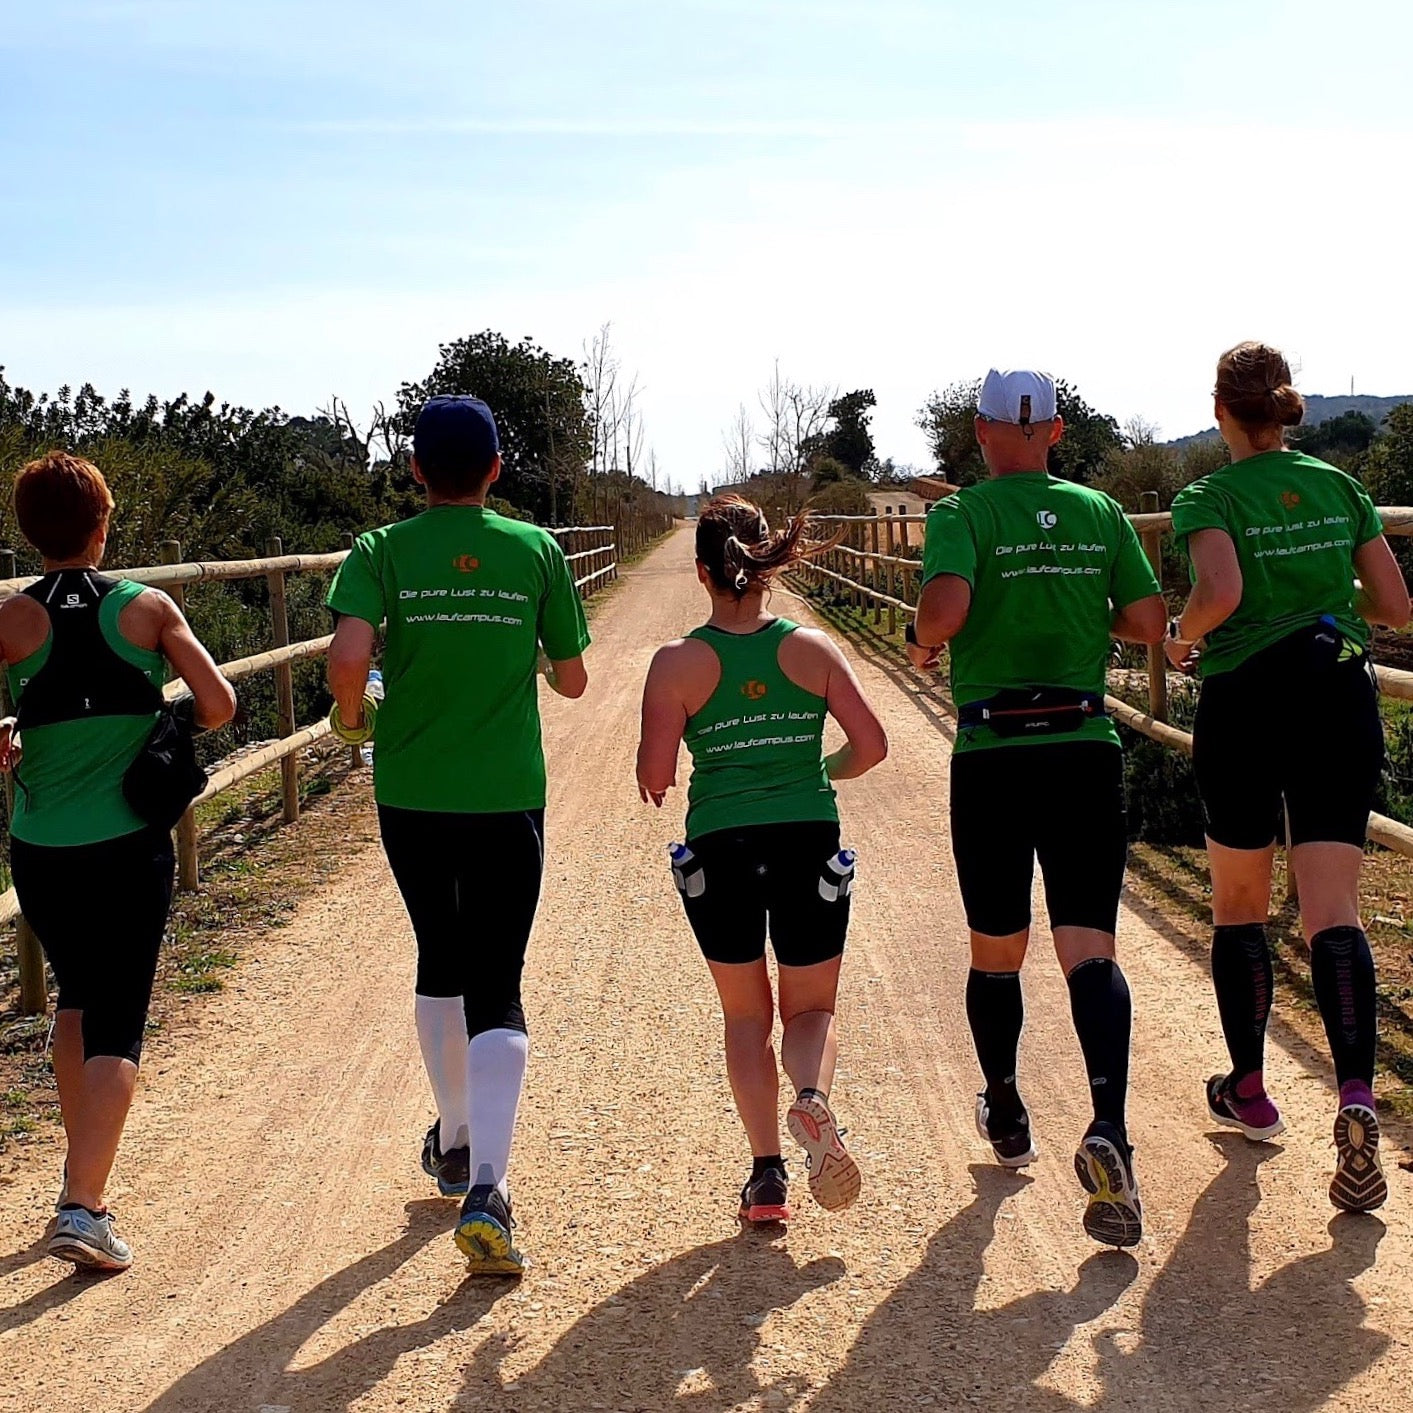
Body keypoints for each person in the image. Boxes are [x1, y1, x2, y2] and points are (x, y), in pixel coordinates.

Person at [326, 395, 589, 1275]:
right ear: (496, 471)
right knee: (498, 980)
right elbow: (576, 678)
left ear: (412, 471)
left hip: (410, 788)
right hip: (506, 791)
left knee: (438, 955)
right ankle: (488, 1185)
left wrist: (353, 712)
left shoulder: (380, 551)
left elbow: (347, 660)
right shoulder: (536, 549)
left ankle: (454, 1136)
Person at [906, 369, 1166, 1249]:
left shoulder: (960, 515)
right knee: (1089, 948)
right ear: (1055, 432)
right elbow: (1143, 615)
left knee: (997, 951)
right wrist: (1077, 606)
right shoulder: (1098, 512)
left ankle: (1008, 1108)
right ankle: (1108, 1127)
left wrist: (921, 637)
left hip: (994, 754)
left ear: (980, 431)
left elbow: (943, 613)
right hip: (1082, 745)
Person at [1167, 341, 1409, 1213]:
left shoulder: (1208, 495)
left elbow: (1220, 591)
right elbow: (1393, 606)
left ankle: (1251, 1090)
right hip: (1335, 691)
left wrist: (1180, 637)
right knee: (1332, 911)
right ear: (1285, 408)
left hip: (1246, 701)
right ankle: (1352, 1097)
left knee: (1239, 901)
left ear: (1221, 408)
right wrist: (1320, 586)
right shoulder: (1341, 488)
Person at [0, 451, 236, 1273]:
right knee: (119, 1017)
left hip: (41, 848)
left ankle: (80, 1172)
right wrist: (156, 713)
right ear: (103, 525)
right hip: (129, 844)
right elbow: (218, 704)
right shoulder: (147, 608)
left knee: (76, 998)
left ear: (30, 535)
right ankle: (85, 1204)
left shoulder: (9, 618)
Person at [636, 495, 887, 1225]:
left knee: (746, 1015)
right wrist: (820, 770)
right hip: (806, 836)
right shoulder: (811, 649)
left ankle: (767, 1176)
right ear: (768, 561)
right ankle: (810, 1097)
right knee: (810, 1006)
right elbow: (870, 747)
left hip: (720, 844)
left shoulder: (676, 662)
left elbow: (655, 774)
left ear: (700, 572)